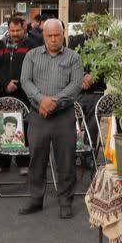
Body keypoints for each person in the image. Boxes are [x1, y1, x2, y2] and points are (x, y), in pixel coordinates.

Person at [19, 19, 83, 219]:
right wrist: (41, 100)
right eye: (49, 36)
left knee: (65, 160)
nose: (54, 39)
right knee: (37, 159)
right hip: (39, 115)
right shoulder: (32, 56)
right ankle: (36, 199)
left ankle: (65, 202)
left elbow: (76, 84)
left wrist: (53, 101)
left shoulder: (74, 57)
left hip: (63, 115)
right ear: (43, 36)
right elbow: (25, 81)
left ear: (63, 34)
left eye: (57, 35)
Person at [0, 15, 39, 174]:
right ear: (8, 30)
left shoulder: (32, 46)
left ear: (23, 29)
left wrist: (21, 83)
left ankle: (23, 162)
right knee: (4, 127)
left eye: (18, 30)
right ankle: (3, 163)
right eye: (12, 30)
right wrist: (5, 83)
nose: (15, 33)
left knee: (23, 127)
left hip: (24, 93)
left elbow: (34, 67)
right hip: (4, 93)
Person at [67, 18, 105, 155]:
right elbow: (69, 62)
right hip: (77, 89)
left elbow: (107, 65)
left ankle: (89, 157)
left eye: (93, 25)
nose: (90, 29)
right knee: (72, 123)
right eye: (88, 25)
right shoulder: (74, 40)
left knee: (92, 126)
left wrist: (93, 75)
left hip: (97, 90)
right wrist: (82, 76)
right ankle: (72, 154)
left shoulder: (105, 42)